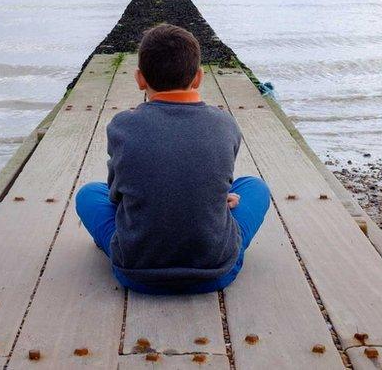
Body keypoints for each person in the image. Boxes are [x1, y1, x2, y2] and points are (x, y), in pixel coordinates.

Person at [75, 23, 270, 295]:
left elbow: (117, 197)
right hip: (214, 272)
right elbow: (214, 177)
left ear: (140, 79)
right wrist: (214, 199)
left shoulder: (122, 126)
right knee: (255, 187)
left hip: (137, 272)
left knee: (88, 194)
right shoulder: (225, 124)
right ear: (199, 78)